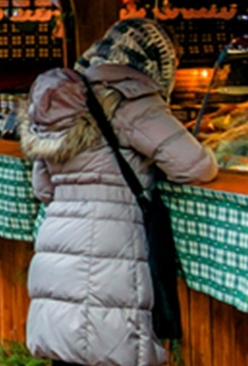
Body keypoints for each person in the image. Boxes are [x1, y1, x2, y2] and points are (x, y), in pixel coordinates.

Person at [19, 19, 219, 366]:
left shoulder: (65, 104)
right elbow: (196, 166)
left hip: (56, 255)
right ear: (156, 63)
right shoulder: (133, 101)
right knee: (112, 348)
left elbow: (43, 187)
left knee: (68, 351)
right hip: (112, 254)